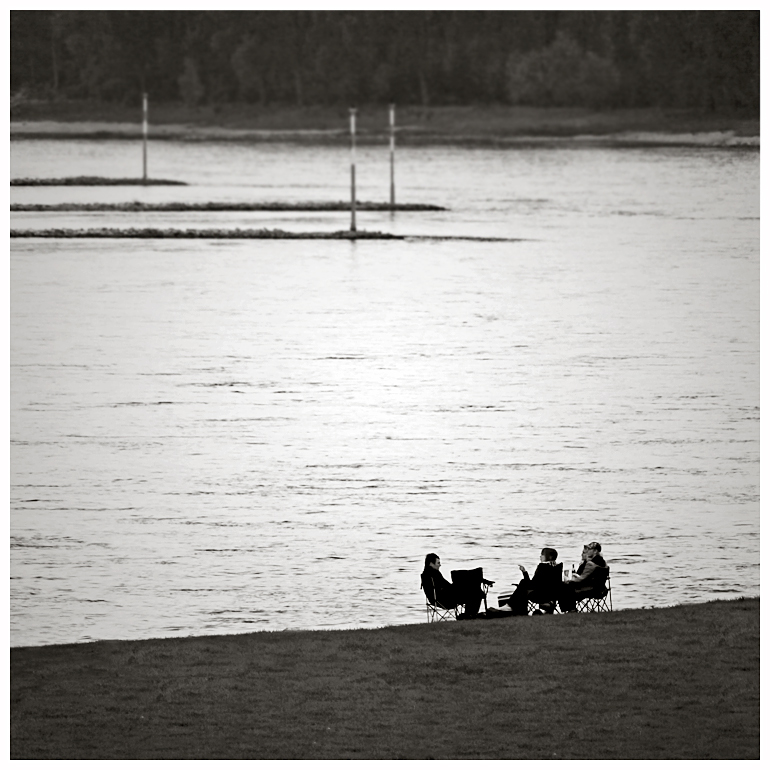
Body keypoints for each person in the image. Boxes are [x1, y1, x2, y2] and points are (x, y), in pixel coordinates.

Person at [491, 547, 562, 615]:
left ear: (549, 557)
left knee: (523, 584)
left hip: (540, 596)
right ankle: (512, 606)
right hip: (553, 595)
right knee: (523, 585)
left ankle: (511, 606)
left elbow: (533, 584)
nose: (540, 557)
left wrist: (524, 573)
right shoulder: (557, 567)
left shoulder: (542, 567)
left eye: (542, 555)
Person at [420, 553, 493, 619]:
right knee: (475, 592)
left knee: (473, 590)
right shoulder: (432, 575)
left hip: (444, 598)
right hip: (445, 600)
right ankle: (469, 616)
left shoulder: (428, 574)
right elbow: (445, 588)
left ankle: (469, 615)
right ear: (431, 564)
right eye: (438, 563)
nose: (440, 565)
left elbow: (445, 587)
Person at [558, 541, 608, 612]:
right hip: (600, 588)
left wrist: (568, 580)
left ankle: (571, 610)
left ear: (595, 551)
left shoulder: (591, 564)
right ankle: (570, 609)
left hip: (591, 589)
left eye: (589, 549)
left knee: (564, 586)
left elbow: (581, 579)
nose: (587, 551)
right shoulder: (602, 563)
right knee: (566, 586)